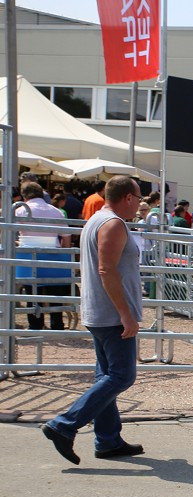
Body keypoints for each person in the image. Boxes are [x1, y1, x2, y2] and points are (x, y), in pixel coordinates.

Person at [41, 176, 145, 466]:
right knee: (122, 376)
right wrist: (126, 313)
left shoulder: (95, 221)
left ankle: (108, 439)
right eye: (137, 199)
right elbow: (106, 269)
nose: (139, 205)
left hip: (99, 312)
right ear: (127, 198)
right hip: (111, 314)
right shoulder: (112, 224)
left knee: (106, 375)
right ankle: (65, 424)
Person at [15, 181, 72, 330]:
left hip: (28, 256)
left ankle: (35, 324)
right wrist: (64, 256)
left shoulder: (21, 210)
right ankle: (57, 324)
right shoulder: (55, 211)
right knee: (55, 294)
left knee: (32, 293)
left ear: (24, 195)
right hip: (53, 255)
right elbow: (66, 237)